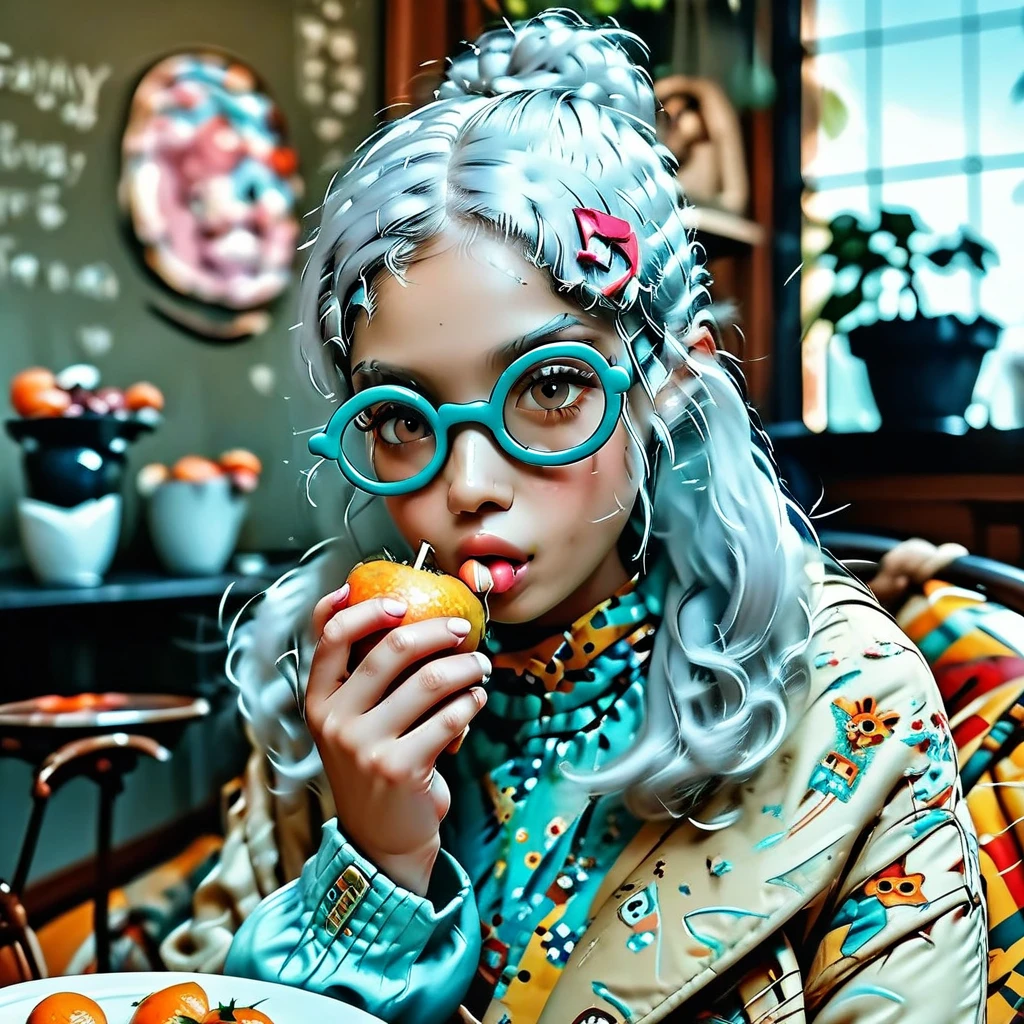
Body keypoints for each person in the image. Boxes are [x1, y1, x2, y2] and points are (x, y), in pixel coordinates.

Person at [221, 12, 986, 1024]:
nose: (470, 485)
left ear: (670, 384)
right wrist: (372, 870)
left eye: (547, 388)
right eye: (402, 415)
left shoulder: (845, 702)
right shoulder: (325, 687)